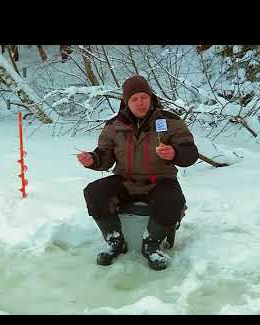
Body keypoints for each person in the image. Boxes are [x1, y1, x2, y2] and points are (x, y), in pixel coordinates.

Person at [77, 75, 198, 270]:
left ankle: (152, 245)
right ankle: (115, 241)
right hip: (125, 180)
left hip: (161, 180)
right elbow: (104, 157)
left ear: (151, 97)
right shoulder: (114, 126)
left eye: (144, 97)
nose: (140, 102)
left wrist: (175, 153)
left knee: (173, 199)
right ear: (126, 102)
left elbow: (190, 154)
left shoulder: (171, 121)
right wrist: (93, 159)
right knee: (94, 191)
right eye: (134, 99)